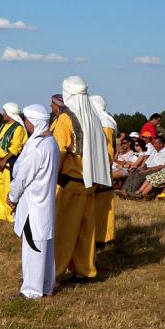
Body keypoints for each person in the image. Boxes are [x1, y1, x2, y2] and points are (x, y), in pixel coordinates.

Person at [51, 77, 111, 281]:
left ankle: (53, 270)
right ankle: (85, 269)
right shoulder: (94, 116)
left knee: (63, 231)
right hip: (90, 183)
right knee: (86, 231)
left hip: (71, 182)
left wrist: (51, 175)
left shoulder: (66, 118)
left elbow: (58, 150)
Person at [7, 104, 59, 299]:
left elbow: (22, 178)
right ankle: (45, 286)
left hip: (34, 205)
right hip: (44, 202)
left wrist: (12, 197)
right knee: (44, 247)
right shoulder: (51, 142)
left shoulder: (38, 148)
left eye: (28, 121)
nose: (26, 125)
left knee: (33, 249)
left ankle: (31, 291)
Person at [90, 95, 118, 246]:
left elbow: (106, 150)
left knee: (102, 202)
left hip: (101, 168)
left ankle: (102, 236)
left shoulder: (104, 121)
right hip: (100, 167)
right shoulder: (105, 119)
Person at [0, 102, 27, 222]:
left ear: (9, 112)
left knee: (8, 188)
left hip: (9, 162)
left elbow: (16, 147)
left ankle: (9, 214)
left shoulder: (18, 128)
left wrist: (4, 160)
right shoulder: (3, 126)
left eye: (4, 111)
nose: (3, 114)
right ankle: (0, 213)